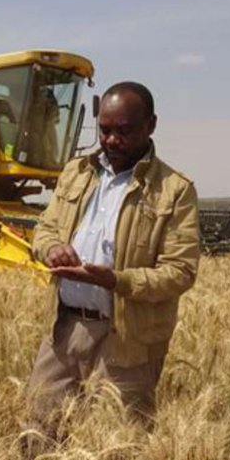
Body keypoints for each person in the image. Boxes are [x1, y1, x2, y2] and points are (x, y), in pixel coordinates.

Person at [25, 81, 200, 438]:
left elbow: (180, 272)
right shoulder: (77, 172)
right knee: (38, 433)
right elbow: (45, 229)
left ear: (151, 125)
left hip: (127, 336)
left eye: (124, 131)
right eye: (105, 130)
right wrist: (51, 248)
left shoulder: (175, 190)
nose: (111, 140)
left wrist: (116, 280)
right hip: (65, 329)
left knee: (115, 446)